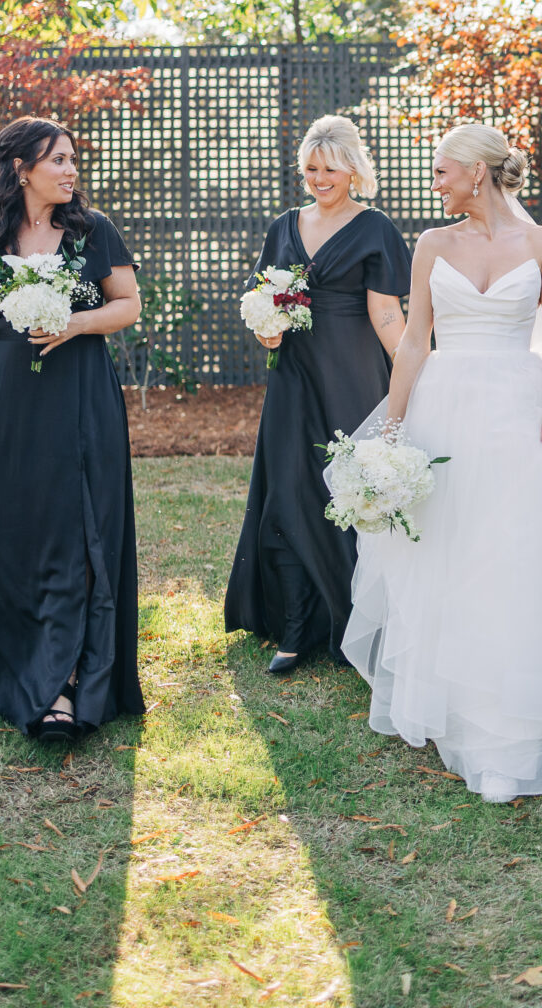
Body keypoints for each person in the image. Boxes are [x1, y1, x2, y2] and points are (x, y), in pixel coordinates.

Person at [341, 122, 542, 803]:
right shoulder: (430, 244)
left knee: (517, 557)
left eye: (441, 172)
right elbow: (415, 341)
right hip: (444, 409)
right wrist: (393, 426)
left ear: (476, 173)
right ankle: (458, 706)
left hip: (519, 408)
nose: (435, 184)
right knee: (448, 552)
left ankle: (514, 734)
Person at [225, 115, 411, 675]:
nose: (319, 178)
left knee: (356, 491)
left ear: (353, 169)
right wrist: (264, 328)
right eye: (310, 168)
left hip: (352, 373)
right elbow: (263, 297)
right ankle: (297, 624)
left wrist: (415, 372)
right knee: (289, 488)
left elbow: (385, 313)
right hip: (292, 376)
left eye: (330, 168)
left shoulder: (376, 229)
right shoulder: (284, 224)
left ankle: (358, 622)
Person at [0, 116, 144, 742]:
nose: (72, 170)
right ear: (23, 169)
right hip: (10, 401)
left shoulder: (92, 230)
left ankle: (70, 677)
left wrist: (73, 324)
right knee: (14, 522)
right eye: (59, 160)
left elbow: (128, 304)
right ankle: (17, 653)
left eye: (75, 159)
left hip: (80, 396)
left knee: (79, 527)